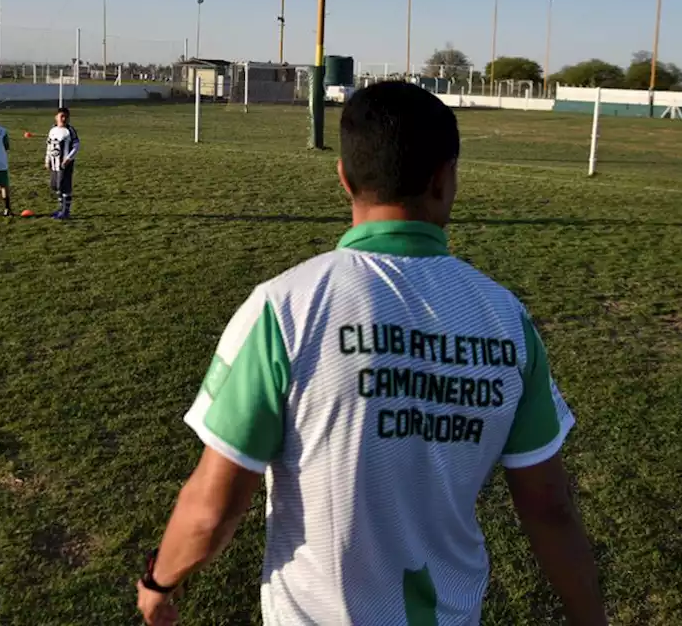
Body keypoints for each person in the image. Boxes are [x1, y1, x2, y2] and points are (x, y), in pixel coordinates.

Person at [137, 82, 606, 626]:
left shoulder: (284, 308)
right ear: (444, 178)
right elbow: (550, 510)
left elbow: (211, 511)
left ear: (344, 178)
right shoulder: (507, 321)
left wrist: (158, 582)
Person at [44, 107, 80, 219]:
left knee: (64, 186)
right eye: (61, 116)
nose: (64, 119)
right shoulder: (52, 130)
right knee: (55, 185)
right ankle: (61, 208)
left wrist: (68, 158)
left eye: (66, 117)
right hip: (54, 163)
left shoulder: (70, 130)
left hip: (65, 164)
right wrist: (47, 159)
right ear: (56, 117)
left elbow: (76, 145)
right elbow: (49, 146)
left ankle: (66, 211)